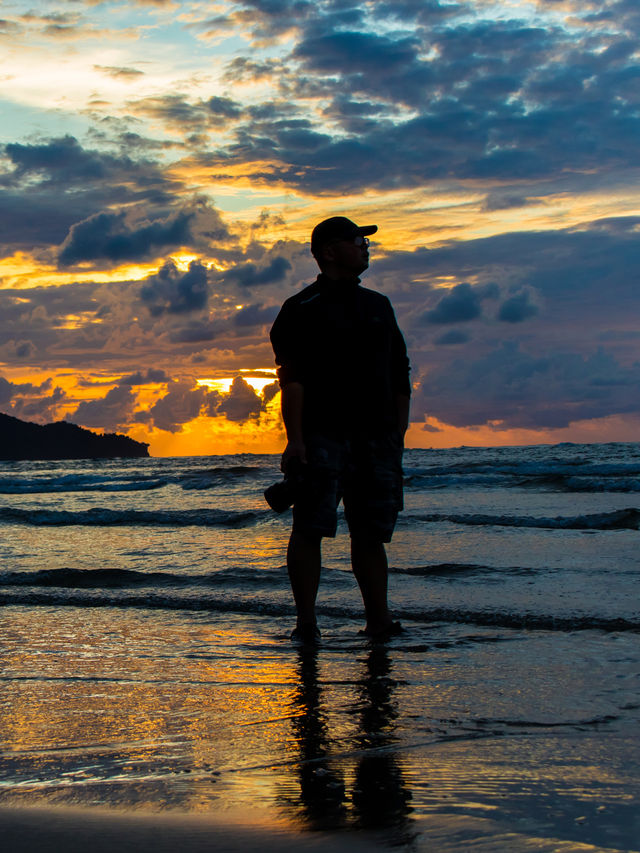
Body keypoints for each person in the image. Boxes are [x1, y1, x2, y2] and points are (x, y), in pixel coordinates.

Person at [269, 216, 411, 644]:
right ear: (329, 251)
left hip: (377, 438)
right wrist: (296, 440)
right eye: (357, 241)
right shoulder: (300, 309)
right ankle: (307, 623)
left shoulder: (378, 306)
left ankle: (379, 619)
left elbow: (400, 373)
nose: (365, 247)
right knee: (310, 527)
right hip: (322, 435)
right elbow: (292, 380)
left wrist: (397, 437)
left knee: (371, 532)